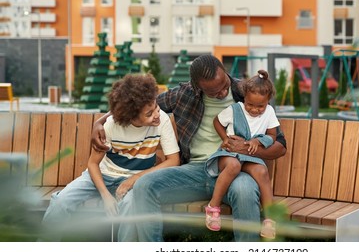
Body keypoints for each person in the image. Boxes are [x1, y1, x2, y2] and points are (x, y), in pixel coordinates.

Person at [91, 54, 287, 242]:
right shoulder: (183, 94)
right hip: (194, 171)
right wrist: (100, 122)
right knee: (144, 185)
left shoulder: (247, 92)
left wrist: (247, 150)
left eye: (223, 85)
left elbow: (280, 146)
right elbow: (140, 104)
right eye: (214, 92)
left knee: (245, 190)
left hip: (234, 170)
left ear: (225, 72)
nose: (222, 93)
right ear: (197, 86)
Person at [41, 74, 180, 241]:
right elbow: (93, 164)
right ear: (131, 117)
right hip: (103, 176)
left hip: (134, 182)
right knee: (60, 202)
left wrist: (134, 178)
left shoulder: (162, 121)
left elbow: (174, 160)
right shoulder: (111, 126)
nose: (156, 114)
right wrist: (106, 196)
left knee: (130, 206)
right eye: (149, 114)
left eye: (156, 108)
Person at [204, 70, 279, 239]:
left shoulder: (269, 112)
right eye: (250, 104)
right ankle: (213, 207)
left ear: (268, 101)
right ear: (244, 97)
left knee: (262, 172)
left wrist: (258, 141)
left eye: (260, 106)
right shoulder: (234, 109)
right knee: (233, 166)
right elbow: (217, 121)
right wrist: (224, 139)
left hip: (250, 156)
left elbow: (273, 135)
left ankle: (269, 220)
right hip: (229, 154)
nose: (254, 110)